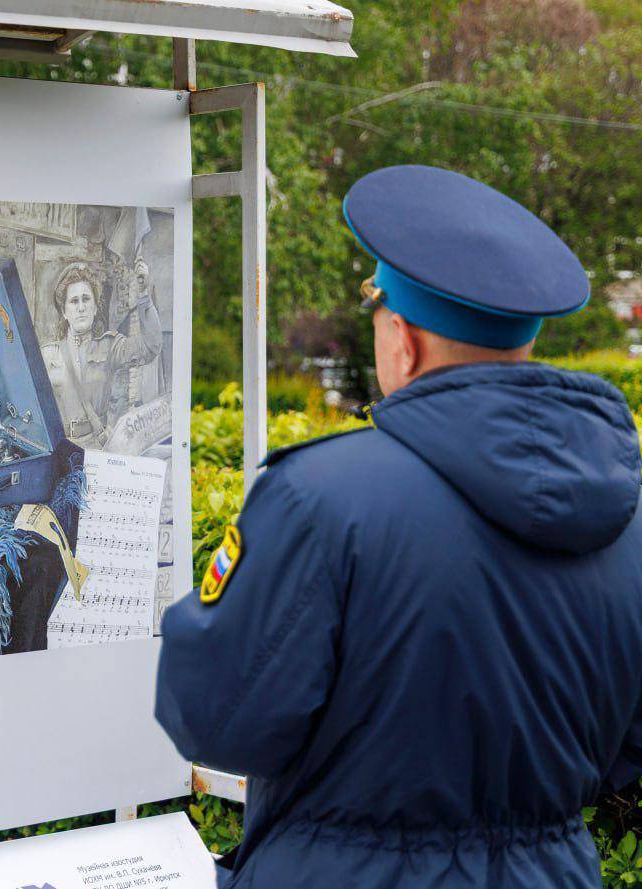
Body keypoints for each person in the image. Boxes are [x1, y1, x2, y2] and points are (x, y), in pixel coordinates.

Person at [155, 165, 642, 887]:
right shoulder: (626, 513)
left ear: (403, 341)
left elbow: (217, 719)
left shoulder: (317, 496)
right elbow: (626, 749)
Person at [41, 259, 162, 449]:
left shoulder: (110, 347)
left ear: (95, 308)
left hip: (95, 446)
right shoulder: (48, 356)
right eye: (74, 301)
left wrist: (143, 295)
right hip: (59, 447)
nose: (81, 307)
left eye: (86, 299)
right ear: (64, 311)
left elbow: (150, 346)